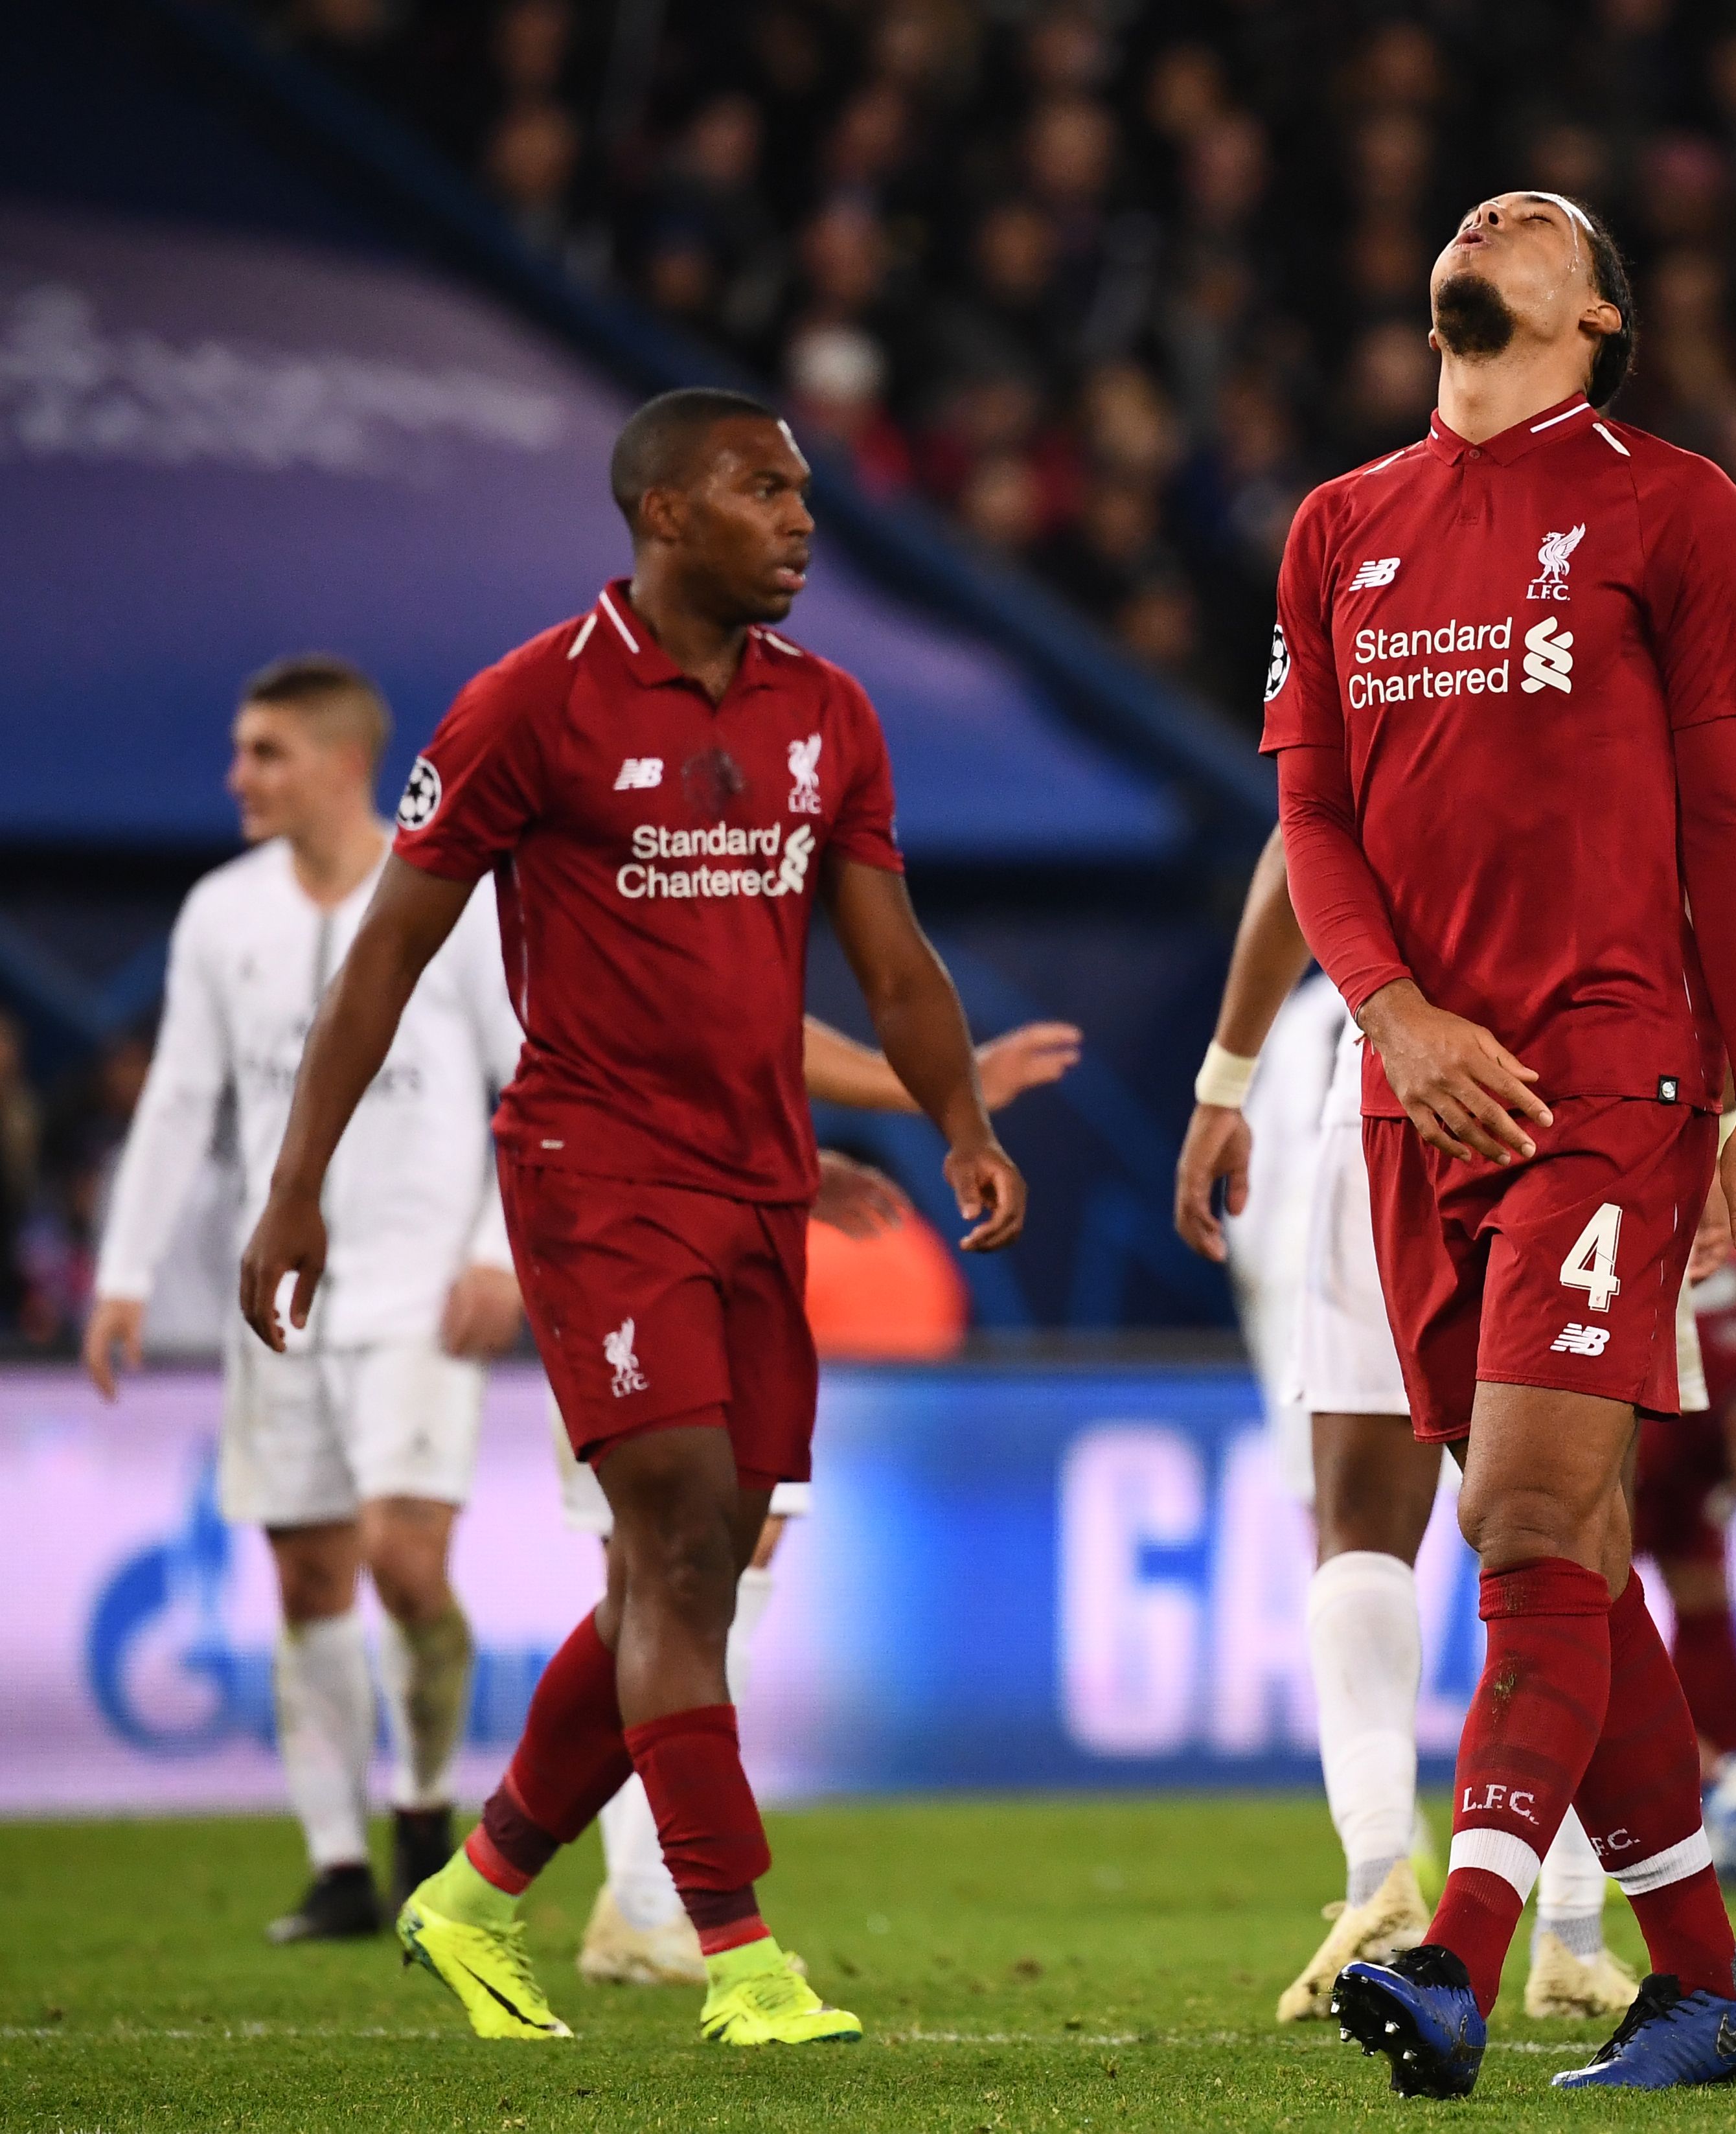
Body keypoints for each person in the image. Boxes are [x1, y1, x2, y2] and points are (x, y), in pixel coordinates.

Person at [238, 387, 1025, 2048]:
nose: (804, 519)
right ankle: (737, 1958)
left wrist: (959, 1120)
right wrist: (295, 1188)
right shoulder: (532, 704)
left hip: (758, 1185)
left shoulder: (832, 714)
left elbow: (890, 960)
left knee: (704, 1561)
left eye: (806, 492)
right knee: (675, 1546)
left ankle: (472, 1893)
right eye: (765, 490)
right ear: (666, 514)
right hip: (596, 1181)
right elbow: (385, 954)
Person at [1265, 190, 1736, 2095]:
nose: (1493, 213)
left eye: (1541, 223)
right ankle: (1706, 1985)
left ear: (1595, 311)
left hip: (1605, 1078)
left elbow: (1729, 826)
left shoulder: (1673, 506)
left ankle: (1459, 1955)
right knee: (1566, 1541)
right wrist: (1390, 1017)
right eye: (1476, 207)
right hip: (1413, 1094)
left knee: (1514, 1515)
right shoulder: (1338, 525)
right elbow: (1317, 823)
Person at [86, 654, 523, 1946]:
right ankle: (340, 1865)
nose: (239, 777)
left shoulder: (457, 897)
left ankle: (430, 1812)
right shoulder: (223, 914)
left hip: (419, 1284)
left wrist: (500, 1246)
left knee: (404, 1558)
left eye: (264, 752)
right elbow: (180, 1096)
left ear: (342, 764)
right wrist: (122, 1272)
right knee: (308, 1575)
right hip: (282, 1292)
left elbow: (528, 1074)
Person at [1173, 827, 1639, 2027]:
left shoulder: (1373, 642)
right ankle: (1572, 1930)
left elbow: (1290, 847)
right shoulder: (1589, 659)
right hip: (1568, 1094)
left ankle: (1378, 1863)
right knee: (1577, 1526)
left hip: (1366, 1090)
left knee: (1360, 1526)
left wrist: (1223, 1083)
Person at [578, 1020, 1075, 1988]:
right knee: (673, 1568)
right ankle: (608, 1892)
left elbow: (753, 1029)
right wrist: (951, 1093)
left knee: (687, 1568)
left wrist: (799, 1161)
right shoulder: (581, 896)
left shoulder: (699, 905)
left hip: (704, 1226)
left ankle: (625, 1894)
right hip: (625, 1235)